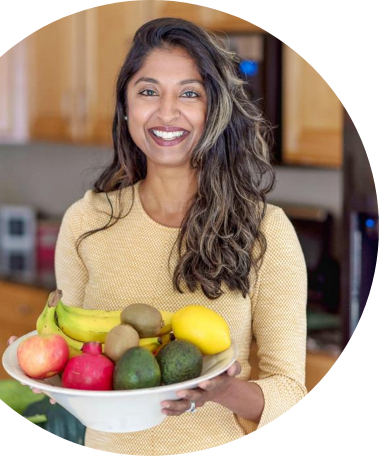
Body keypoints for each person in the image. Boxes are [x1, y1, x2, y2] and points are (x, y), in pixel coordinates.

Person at [35, 17, 307, 453]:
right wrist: (45, 366)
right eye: (148, 91)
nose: (166, 113)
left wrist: (220, 390)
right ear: (125, 106)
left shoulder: (264, 231)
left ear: (213, 109)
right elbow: (81, 361)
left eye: (189, 93)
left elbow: (290, 392)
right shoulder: (86, 221)